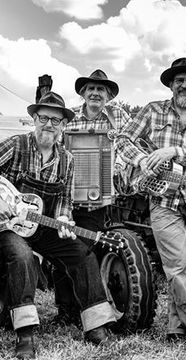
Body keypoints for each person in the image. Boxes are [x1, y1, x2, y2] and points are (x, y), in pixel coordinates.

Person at [0, 91, 116, 360]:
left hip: (43, 226)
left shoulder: (67, 159)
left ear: (63, 125)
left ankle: (96, 325)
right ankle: (25, 333)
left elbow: (64, 200)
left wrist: (63, 219)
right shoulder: (16, 145)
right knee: (22, 256)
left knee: (82, 253)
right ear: (34, 119)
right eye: (44, 118)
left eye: (56, 120)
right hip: (9, 226)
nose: (49, 124)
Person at [115, 57, 186, 353]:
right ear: (171, 85)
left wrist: (174, 151)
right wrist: (142, 159)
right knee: (177, 265)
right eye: (179, 80)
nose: (185, 85)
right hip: (163, 200)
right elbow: (122, 139)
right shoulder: (153, 110)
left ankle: (175, 327)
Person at [51, 69, 132, 325]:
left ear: (108, 95)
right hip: (67, 194)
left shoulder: (119, 116)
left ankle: (83, 306)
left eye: (100, 90)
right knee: (62, 249)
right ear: (83, 93)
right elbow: (55, 147)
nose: (95, 93)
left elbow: (129, 146)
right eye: (91, 89)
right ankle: (65, 310)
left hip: (98, 198)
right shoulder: (70, 117)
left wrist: (117, 167)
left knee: (86, 250)